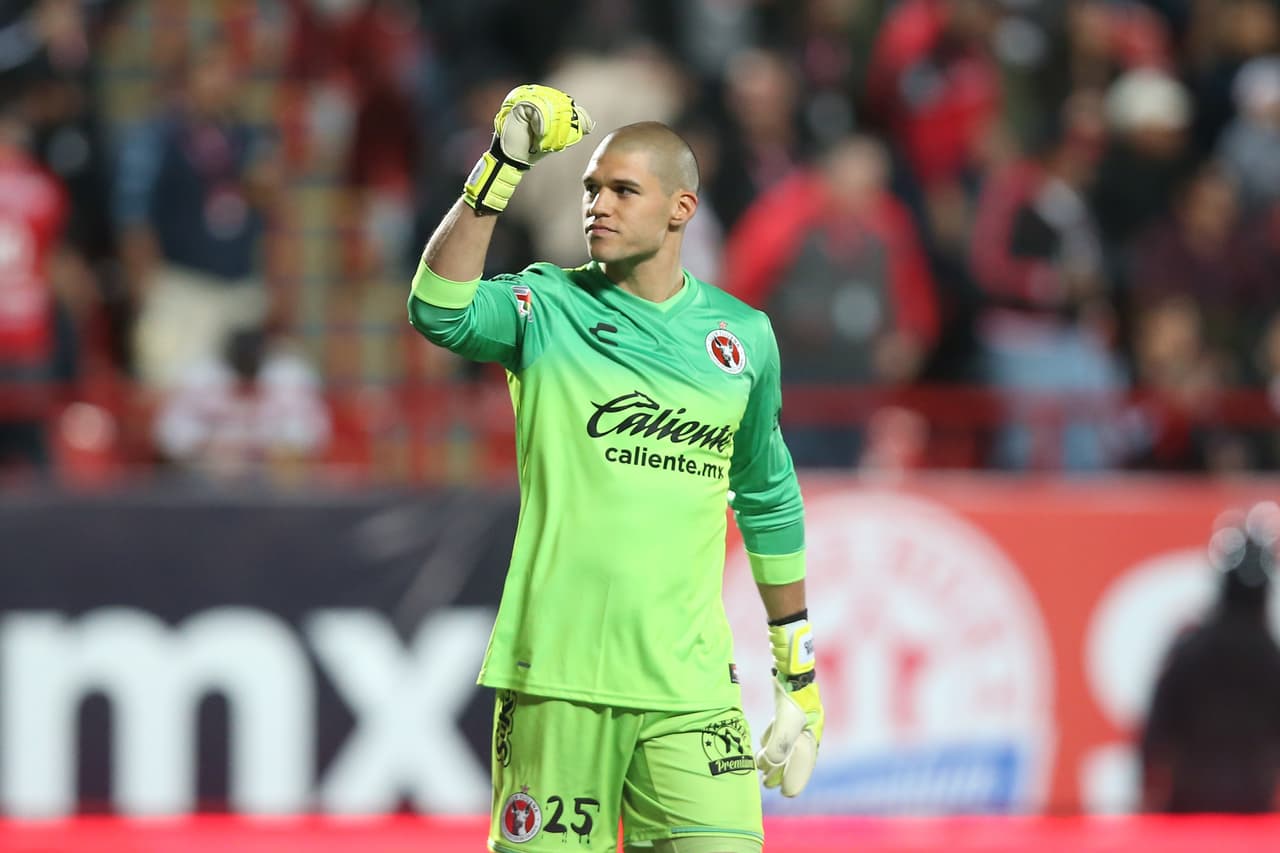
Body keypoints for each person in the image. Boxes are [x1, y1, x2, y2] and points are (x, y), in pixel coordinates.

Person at [406, 85, 825, 853]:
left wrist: (796, 672)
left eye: (622, 189)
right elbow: (437, 306)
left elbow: (767, 497)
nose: (596, 204)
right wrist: (503, 165)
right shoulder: (546, 304)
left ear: (681, 208)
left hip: (692, 692)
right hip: (559, 682)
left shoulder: (743, 337)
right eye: (591, 188)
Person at [1139, 501, 1280, 813]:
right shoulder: (1272, 660)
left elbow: (1153, 736)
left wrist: (1147, 801)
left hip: (1190, 809)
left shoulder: (1190, 649)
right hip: (1253, 812)